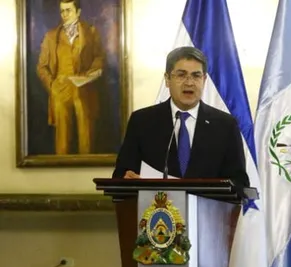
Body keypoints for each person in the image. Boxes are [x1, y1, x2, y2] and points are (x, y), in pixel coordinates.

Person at [112, 46, 249, 186]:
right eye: (181, 75)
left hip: (207, 201)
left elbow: (240, 182)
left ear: (204, 80)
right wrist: (129, 180)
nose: (189, 83)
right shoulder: (142, 121)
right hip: (158, 201)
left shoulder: (225, 125)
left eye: (196, 76)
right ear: (167, 79)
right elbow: (121, 176)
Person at [37, 0, 104, 155]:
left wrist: (90, 75)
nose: (64, 14)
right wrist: (52, 86)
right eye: (62, 11)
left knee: (86, 136)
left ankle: (87, 167)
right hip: (60, 90)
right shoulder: (51, 36)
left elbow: (99, 58)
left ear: (78, 12)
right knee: (62, 139)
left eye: (68, 10)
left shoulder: (91, 32)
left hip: (84, 89)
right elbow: (41, 67)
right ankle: (61, 168)